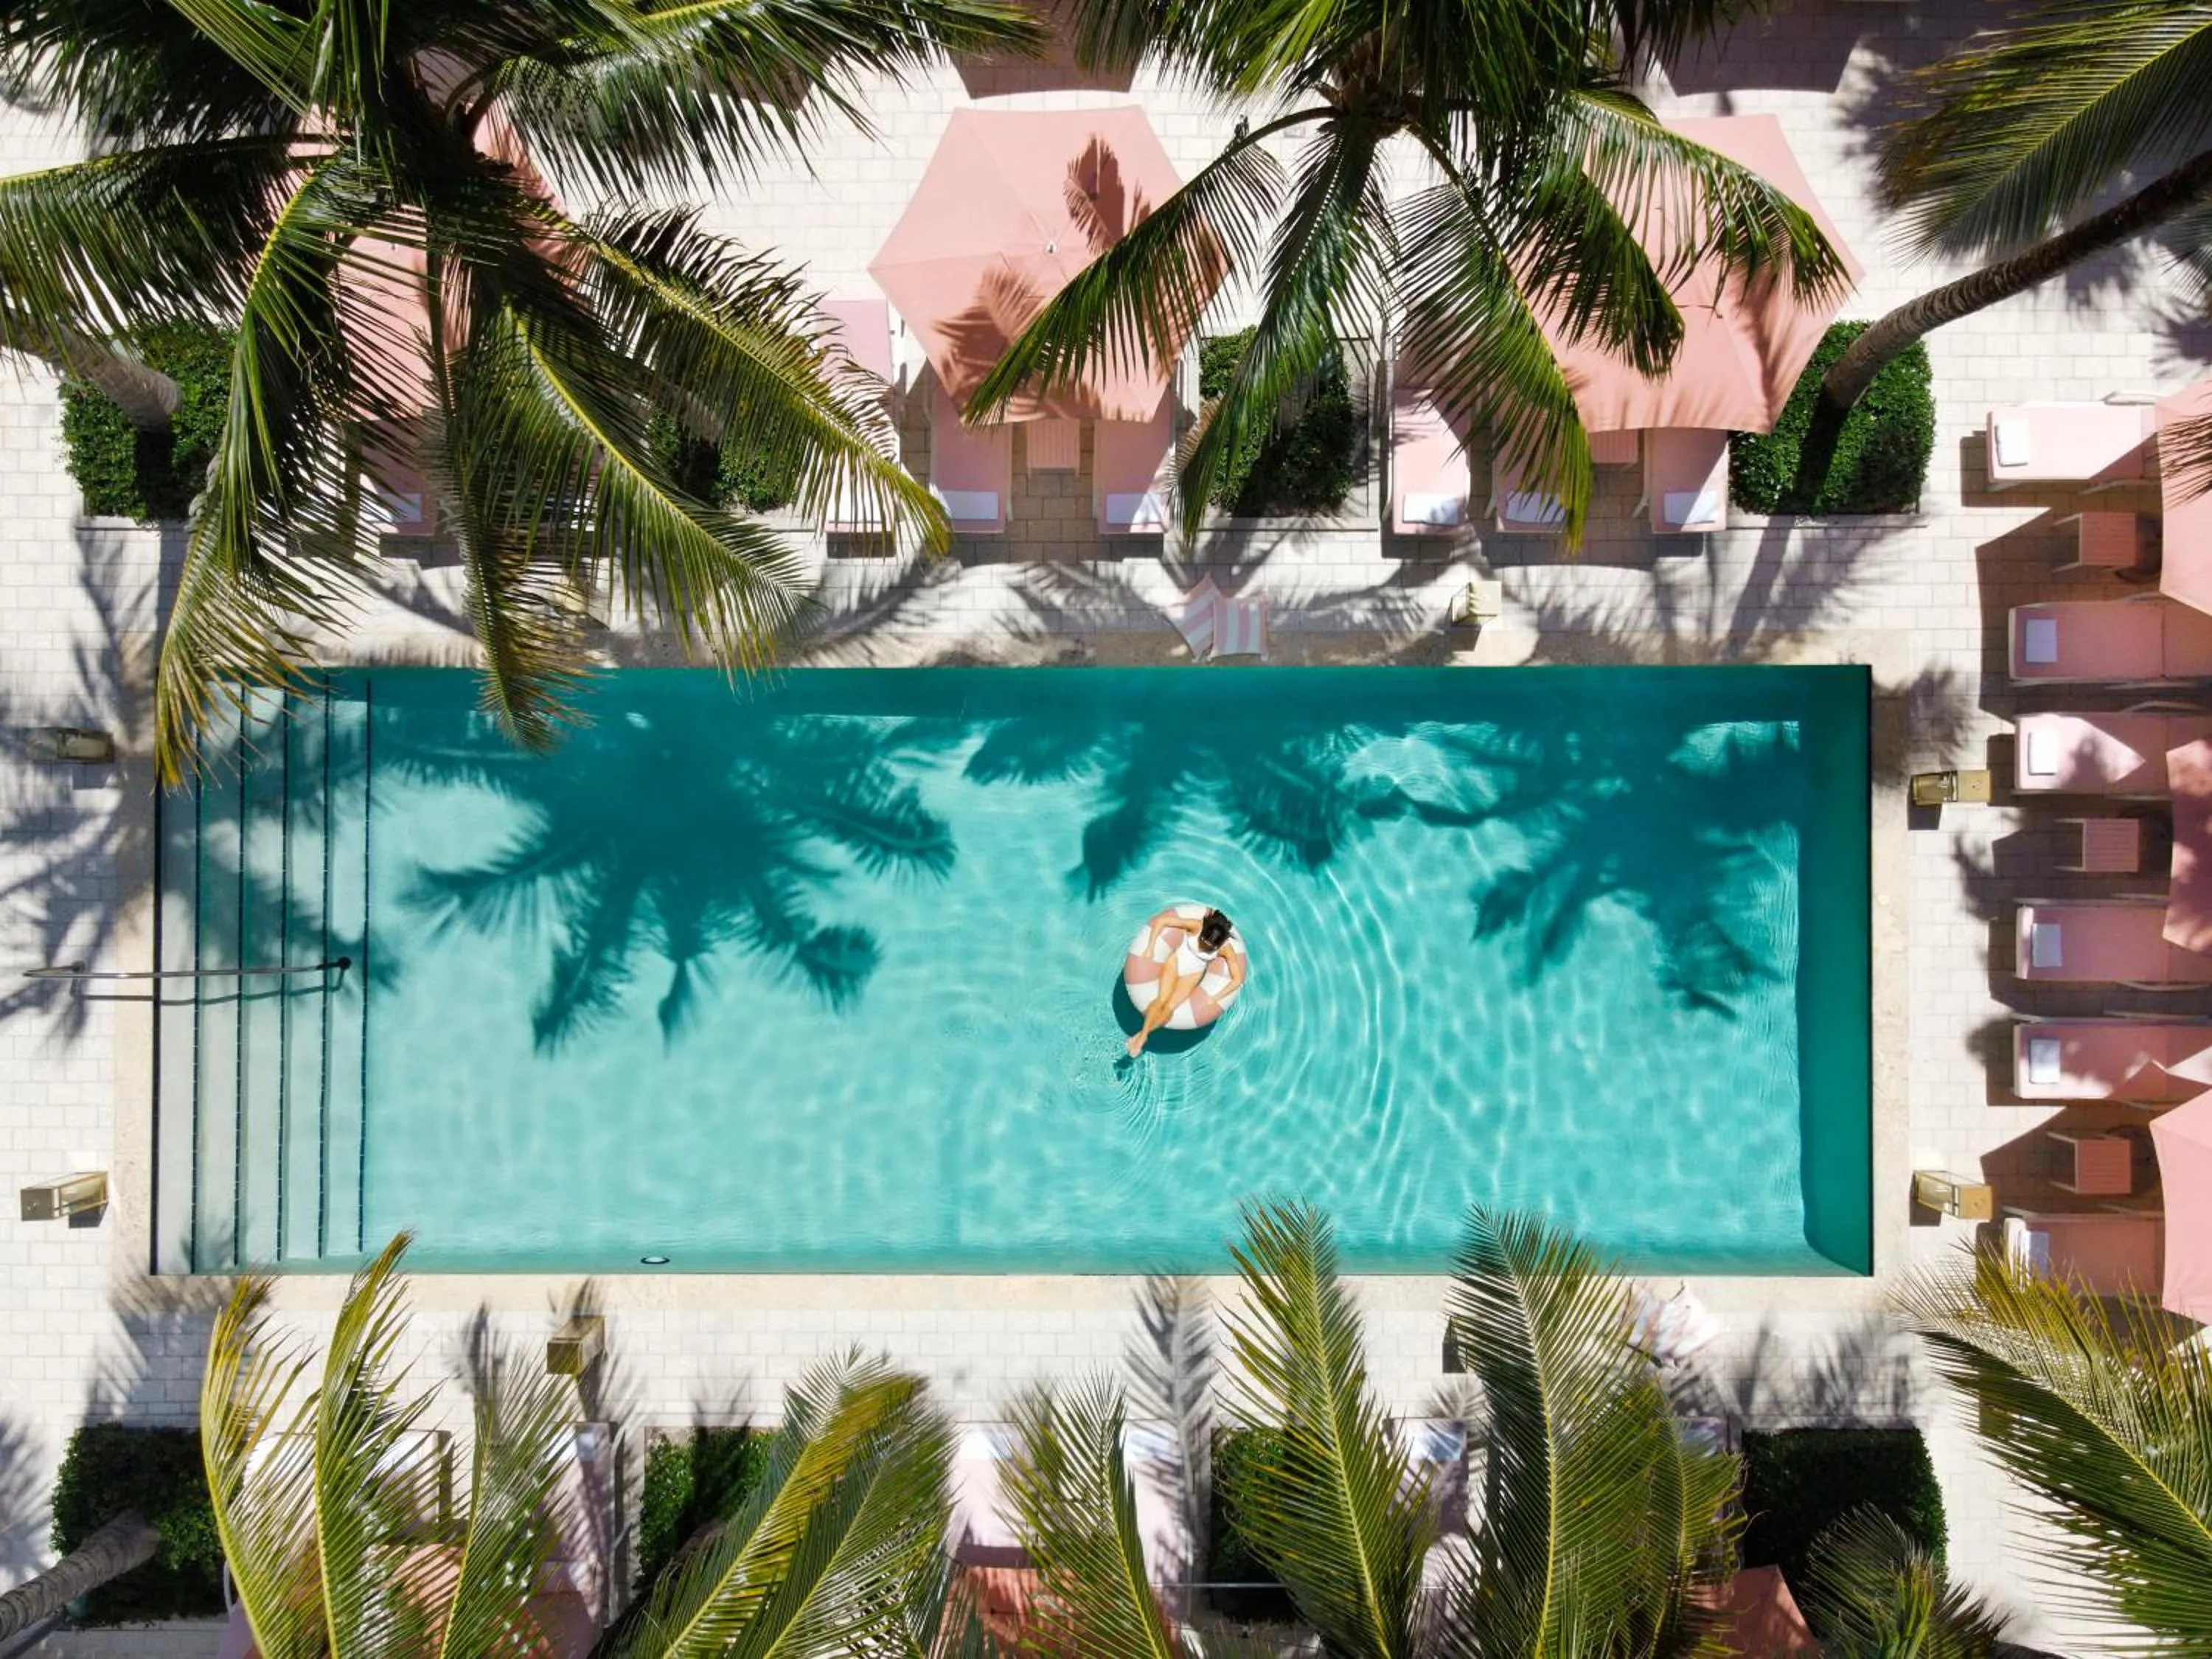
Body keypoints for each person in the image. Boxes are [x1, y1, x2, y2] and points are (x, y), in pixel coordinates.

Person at [1127, 908, 1242, 1057]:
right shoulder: (1197, 926)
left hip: (1192, 976)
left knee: (1170, 1008)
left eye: (1211, 947)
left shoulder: (1225, 948)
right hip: (1175, 963)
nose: (1205, 946)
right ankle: (1142, 1037)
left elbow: (1237, 979)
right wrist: (1150, 947)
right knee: (1161, 1000)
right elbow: (1162, 921)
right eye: (1203, 941)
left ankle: (1143, 1035)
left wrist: (1216, 997)